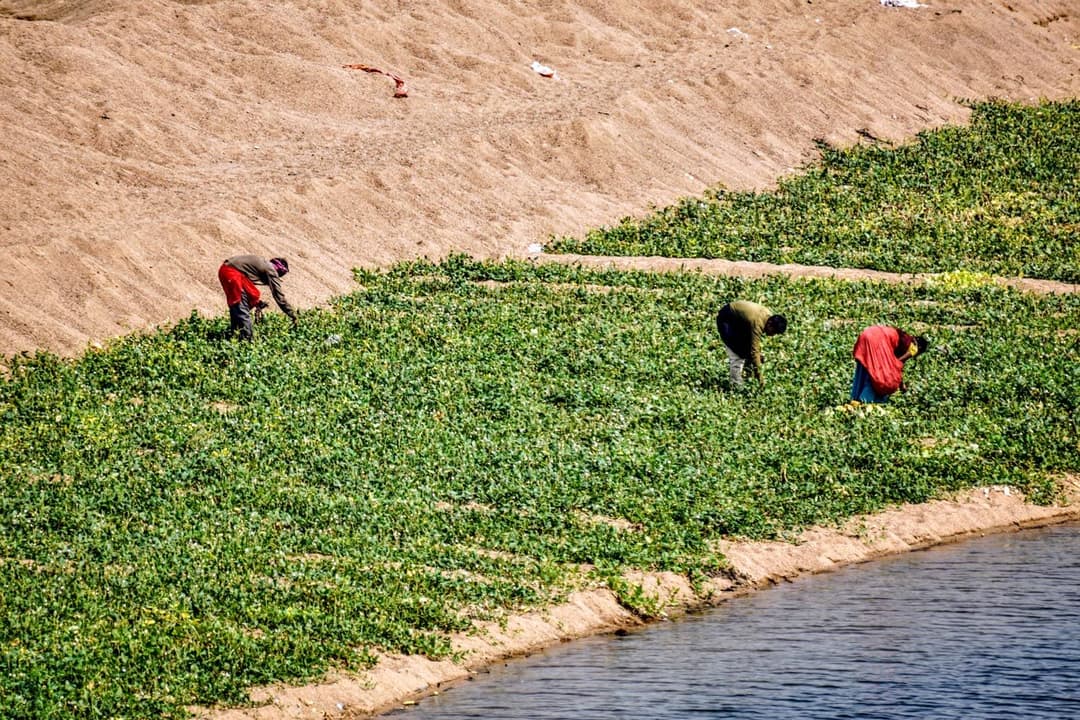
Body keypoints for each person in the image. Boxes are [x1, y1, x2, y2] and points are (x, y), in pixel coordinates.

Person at [217, 254, 297, 340]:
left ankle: (234, 335)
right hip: (232, 274)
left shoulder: (262, 263)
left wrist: (257, 303)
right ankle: (247, 340)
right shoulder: (271, 270)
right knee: (241, 308)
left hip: (226, 270)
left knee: (238, 306)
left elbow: (248, 289)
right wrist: (292, 314)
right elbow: (279, 296)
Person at [715, 301, 787, 387]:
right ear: (769, 324)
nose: (772, 335)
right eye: (774, 332)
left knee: (750, 353)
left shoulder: (768, 317)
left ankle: (747, 377)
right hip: (726, 319)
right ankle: (736, 385)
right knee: (737, 356)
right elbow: (754, 351)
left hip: (740, 322)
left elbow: (753, 349)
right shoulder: (757, 324)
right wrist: (761, 380)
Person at [850, 325, 928, 403]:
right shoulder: (913, 347)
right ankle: (864, 400)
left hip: (868, 332)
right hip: (878, 340)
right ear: (919, 348)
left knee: (866, 368)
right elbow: (896, 364)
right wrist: (901, 386)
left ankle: (855, 398)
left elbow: (895, 363)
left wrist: (901, 384)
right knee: (879, 376)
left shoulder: (904, 337)